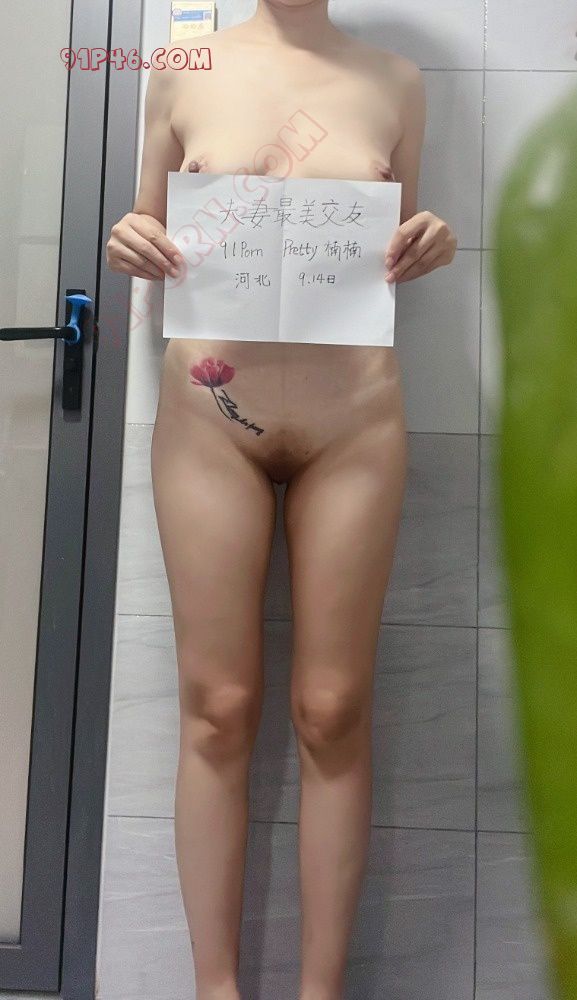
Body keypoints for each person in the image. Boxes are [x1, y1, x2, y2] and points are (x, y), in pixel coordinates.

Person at [106, 2, 457, 997]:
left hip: (353, 418)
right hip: (210, 415)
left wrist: (431, 240)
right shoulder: (180, 66)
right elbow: (145, 225)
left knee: (332, 708)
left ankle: (319, 991)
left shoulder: (394, 81)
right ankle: (215, 987)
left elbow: (400, 243)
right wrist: (130, 237)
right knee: (218, 708)